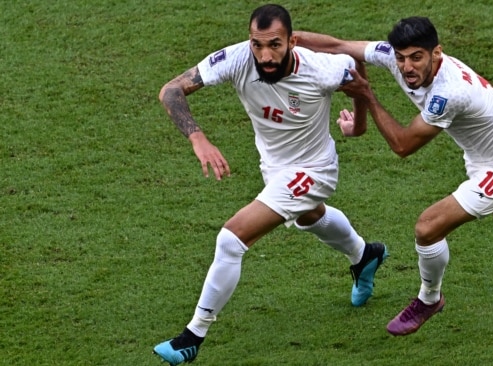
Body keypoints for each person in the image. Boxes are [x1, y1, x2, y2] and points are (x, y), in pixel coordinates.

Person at [296, 17, 493, 336]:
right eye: (401, 57)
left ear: (437, 54)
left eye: (416, 57)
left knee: (428, 227)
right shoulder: (395, 58)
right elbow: (339, 47)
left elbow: (403, 145)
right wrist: (288, 39)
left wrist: (367, 96)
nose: (407, 67)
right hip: (486, 154)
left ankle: (429, 299)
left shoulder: (450, 93)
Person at [152, 5, 388, 365]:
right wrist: (198, 138)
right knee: (308, 218)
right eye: (257, 45)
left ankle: (192, 336)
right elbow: (171, 90)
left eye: (274, 45)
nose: (265, 55)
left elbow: (359, 82)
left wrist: (359, 126)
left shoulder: (321, 68)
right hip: (275, 166)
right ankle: (364, 255)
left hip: (315, 169)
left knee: (231, 238)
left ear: (291, 41)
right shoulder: (236, 59)